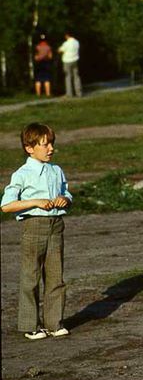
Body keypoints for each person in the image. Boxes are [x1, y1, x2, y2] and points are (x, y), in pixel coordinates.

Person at [2, 122, 72, 340]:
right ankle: (30, 325)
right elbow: (6, 205)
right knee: (30, 276)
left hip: (56, 226)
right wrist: (35, 203)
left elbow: (67, 195)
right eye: (44, 145)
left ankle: (54, 323)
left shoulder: (56, 170)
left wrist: (65, 200)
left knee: (55, 277)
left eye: (51, 143)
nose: (50, 148)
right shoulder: (22, 174)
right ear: (29, 148)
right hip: (34, 225)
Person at [58, 32, 82, 98]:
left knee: (68, 77)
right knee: (76, 76)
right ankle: (78, 93)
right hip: (75, 60)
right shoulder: (77, 42)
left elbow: (60, 50)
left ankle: (69, 93)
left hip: (67, 61)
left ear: (67, 36)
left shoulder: (66, 43)